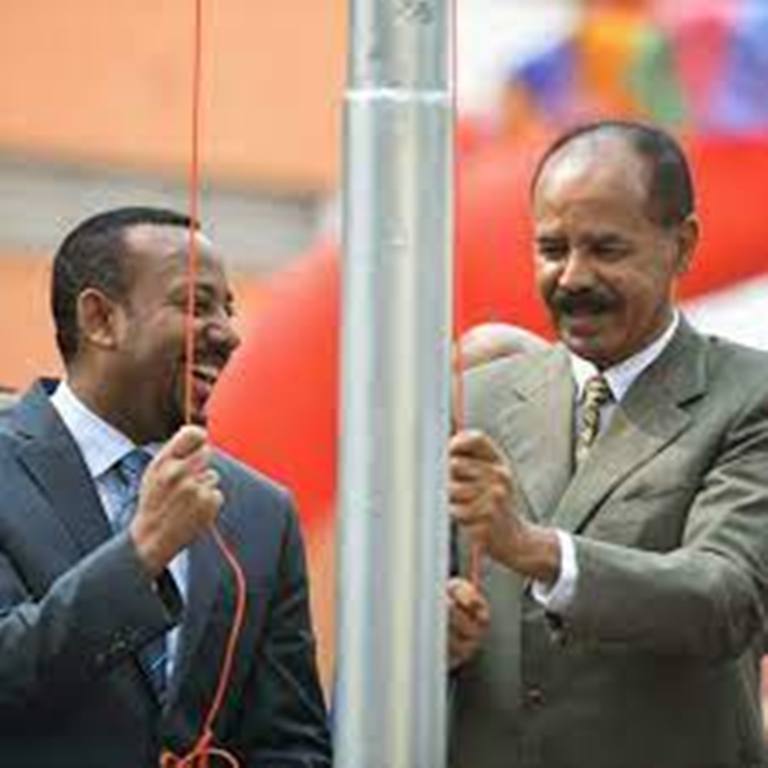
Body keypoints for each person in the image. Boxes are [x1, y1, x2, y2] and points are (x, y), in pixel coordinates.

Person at [448, 120, 768, 768]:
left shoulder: (748, 398)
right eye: (552, 248)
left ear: (682, 246)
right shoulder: (472, 401)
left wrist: (534, 549)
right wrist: (431, 635)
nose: (572, 276)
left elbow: (722, 597)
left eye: (606, 249)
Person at [0, 207, 332, 766]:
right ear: (100, 319)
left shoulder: (260, 511)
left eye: (228, 309)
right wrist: (140, 554)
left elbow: (289, 743)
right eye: (195, 305)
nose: (228, 334)